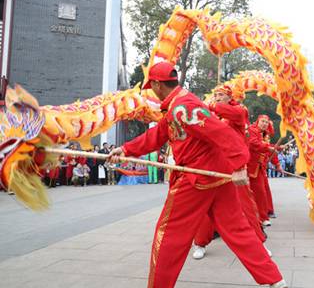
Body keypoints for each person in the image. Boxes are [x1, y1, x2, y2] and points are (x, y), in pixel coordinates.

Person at [108, 62, 287, 288]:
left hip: (198, 178)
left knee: (168, 234)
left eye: (151, 86)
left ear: (156, 84)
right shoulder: (177, 106)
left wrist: (240, 164)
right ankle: (274, 279)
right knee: (238, 229)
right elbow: (159, 134)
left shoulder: (184, 107)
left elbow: (222, 132)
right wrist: (125, 150)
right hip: (217, 176)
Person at [192, 84, 270, 260]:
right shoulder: (211, 116)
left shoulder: (239, 111)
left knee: (246, 205)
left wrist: (209, 106)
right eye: (216, 94)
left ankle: (259, 244)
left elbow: (236, 115)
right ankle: (200, 243)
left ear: (229, 97)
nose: (217, 97)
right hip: (213, 167)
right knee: (207, 206)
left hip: (235, 168)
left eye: (221, 94)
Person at [247, 115, 283, 227]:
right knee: (254, 194)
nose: (264, 124)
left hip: (259, 168)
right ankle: (259, 217)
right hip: (249, 167)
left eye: (267, 122)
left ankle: (263, 216)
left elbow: (269, 151)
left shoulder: (264, 135)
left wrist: (277, 163)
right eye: (262, 121)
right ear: (257, 121)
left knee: (262, 192)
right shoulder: (251, 131)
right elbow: (254, 143)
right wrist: (269, 147)